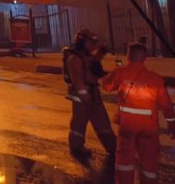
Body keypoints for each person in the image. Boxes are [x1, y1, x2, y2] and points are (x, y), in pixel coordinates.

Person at [101, 42, 175, 183]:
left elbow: (107, 85)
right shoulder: (156, 79)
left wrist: (115, 71)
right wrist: (172, 122)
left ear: (128, 56)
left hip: (127, 125)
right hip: (148, 127)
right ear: (145, 57)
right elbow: (166, 104)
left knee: (124, 159)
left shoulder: (120, 73)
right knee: (149, 160)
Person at [63, 29, 116, 158]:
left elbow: (92, 63)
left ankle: (114, 148)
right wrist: (85, 95)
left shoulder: (85, 56)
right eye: (91, 42)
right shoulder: (74, 58)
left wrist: (102, 51)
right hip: (83, 96)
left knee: (102, 122)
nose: (93, 44)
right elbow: (78, 80)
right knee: (79, 124)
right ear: (82, 42)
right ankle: (76, 147)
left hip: (92, 93)